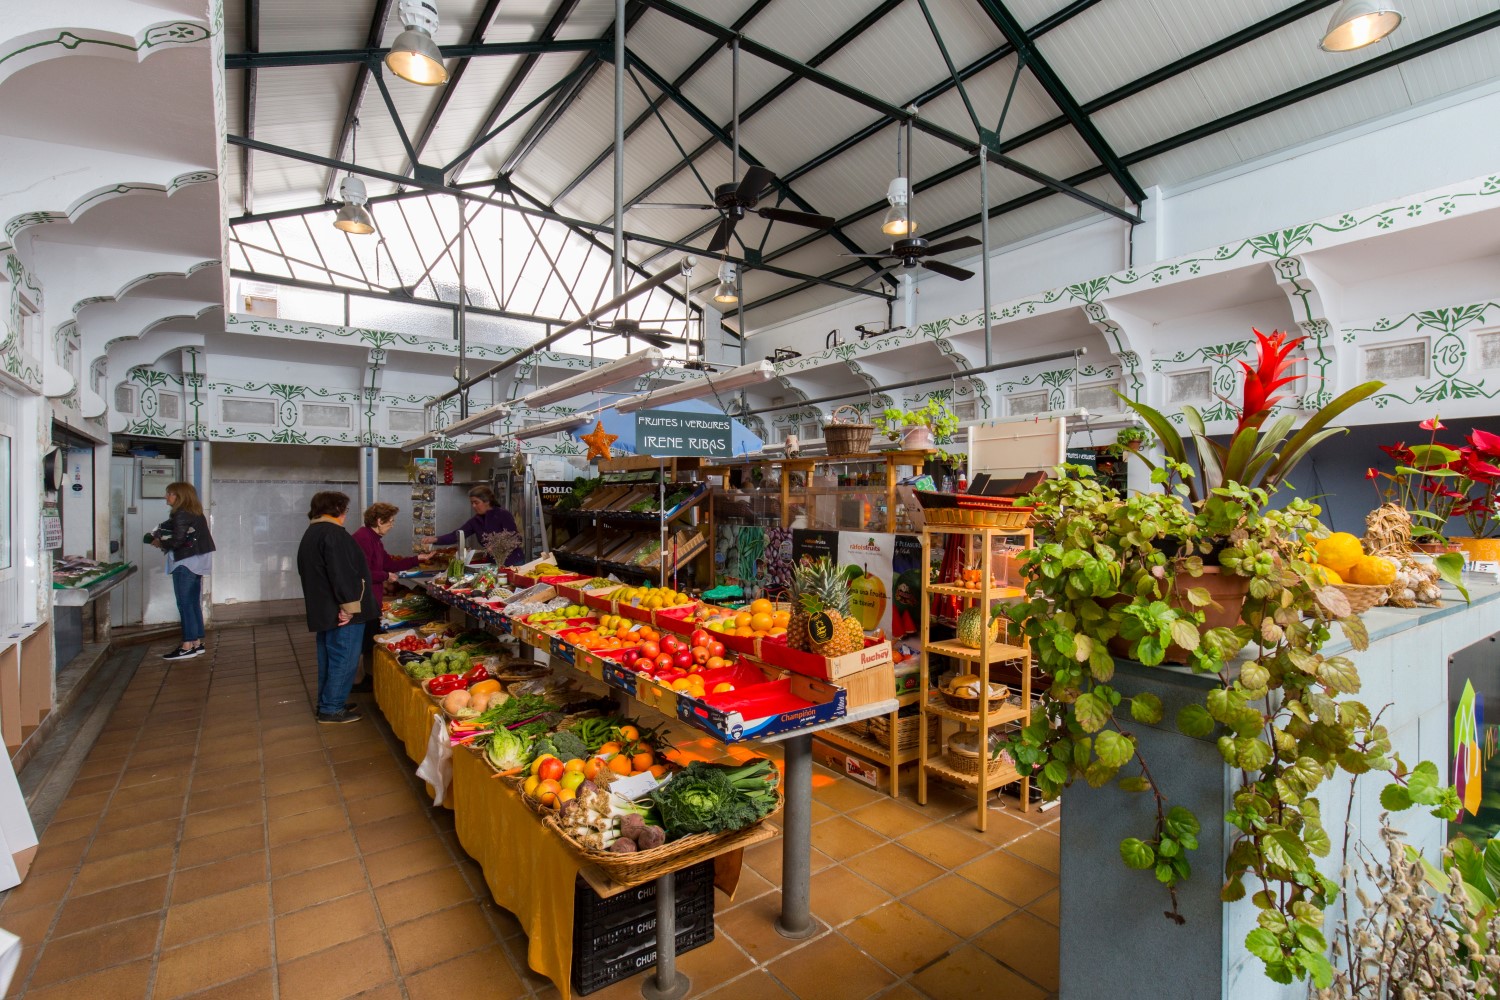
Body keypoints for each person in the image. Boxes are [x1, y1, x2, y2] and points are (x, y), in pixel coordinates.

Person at [296, 491, 377, 724]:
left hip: (324, 609)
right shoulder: (334, 534)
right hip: (342, 611)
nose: (345, 515)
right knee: (344, 657)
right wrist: (348, 607)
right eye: (346, 510)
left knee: (328, 657)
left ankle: (329, 702)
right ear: (338, 509)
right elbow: (342, 573)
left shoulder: (313, 532)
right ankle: (332, 708)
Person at [353, 502, 420, 687]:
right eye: (390, 521)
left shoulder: (374, 539)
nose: (392, 525)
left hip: (372, 599)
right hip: (364, 598)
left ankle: (362, 677)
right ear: (379, 520)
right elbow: (362, 571)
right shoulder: (363, 538)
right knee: (362, 640)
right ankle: (356, 681)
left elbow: (388, 563)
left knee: (368, 639)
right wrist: (385, 576)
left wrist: (417, 559)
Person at [148, 481, 215, 661]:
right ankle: (196, 642)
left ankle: (187, 646)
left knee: (184, 603)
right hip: (197, 561)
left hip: (185, 562)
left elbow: (177, 541)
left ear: (179, 496)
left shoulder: (181, 513)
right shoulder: (195, 512)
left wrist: (159, 542)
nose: (166, 497)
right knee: (193, 602)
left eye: (169, 493)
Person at [421, 485, 522, 564]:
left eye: (476, 502)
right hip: (493, 563)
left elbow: (516, 539)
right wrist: (435, 539)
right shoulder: (475, 521)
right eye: (472, 503)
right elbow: (457, 535)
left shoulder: (503, 515)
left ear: (487, 501)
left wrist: (498, 547)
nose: (473, 506)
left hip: (513, 562)